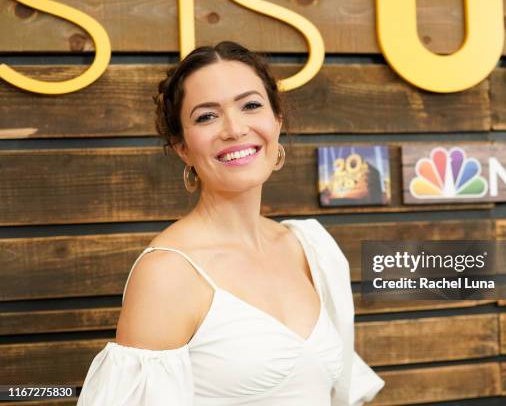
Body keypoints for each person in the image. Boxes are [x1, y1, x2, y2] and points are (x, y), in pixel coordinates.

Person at [76, 41, 385, 405]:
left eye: (251, 105)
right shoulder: (168, 273)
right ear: (183, 148)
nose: (235, 129)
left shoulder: (311, 245)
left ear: (276, 122)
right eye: (207, 116)